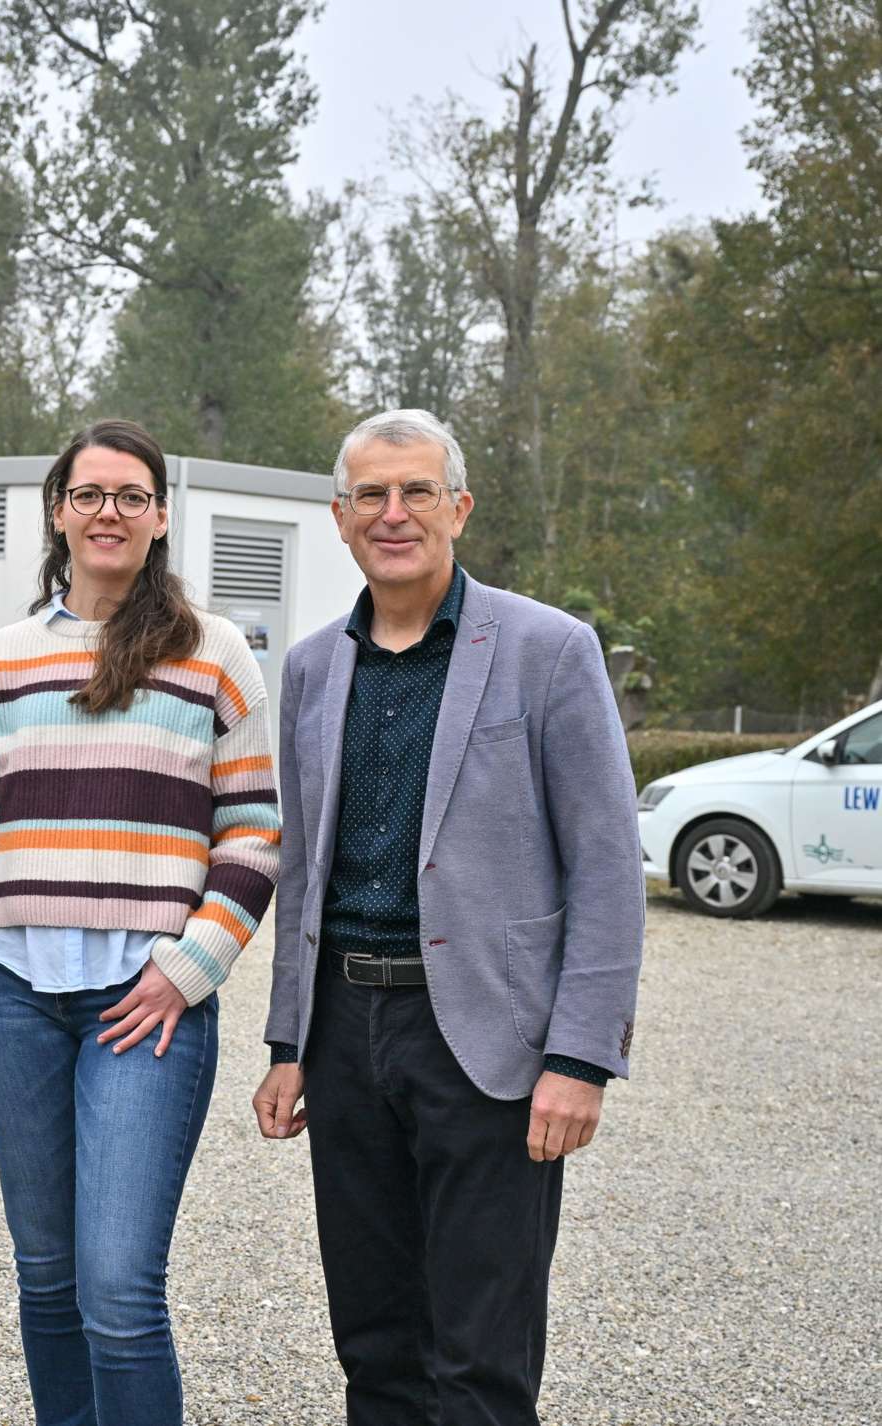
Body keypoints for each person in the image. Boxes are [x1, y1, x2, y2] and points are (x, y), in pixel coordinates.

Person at [251, 408, 645, 1423]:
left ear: (457, 507)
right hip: (345, 1040)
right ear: (339, 518)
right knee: (374, 1344)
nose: (394, 513)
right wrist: (289, 1038)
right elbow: (306, 868)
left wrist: (580, 1056)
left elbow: (605, 865)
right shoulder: (308, 669)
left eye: (416, 491)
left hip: (486, 1042)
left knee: (480, 1356)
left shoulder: (546, 652)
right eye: (371, 496)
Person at [0, 419, 281, 1425]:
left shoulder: (213, 654)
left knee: (117, 1292)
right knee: (45, 1286)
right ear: (57, 511)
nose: (108, 512)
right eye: (89, 494)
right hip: (11, 998)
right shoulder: (4, 659)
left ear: (161, 515)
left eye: (131, 495)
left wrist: (189, 967)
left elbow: (255, 835)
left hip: (146, 1004)